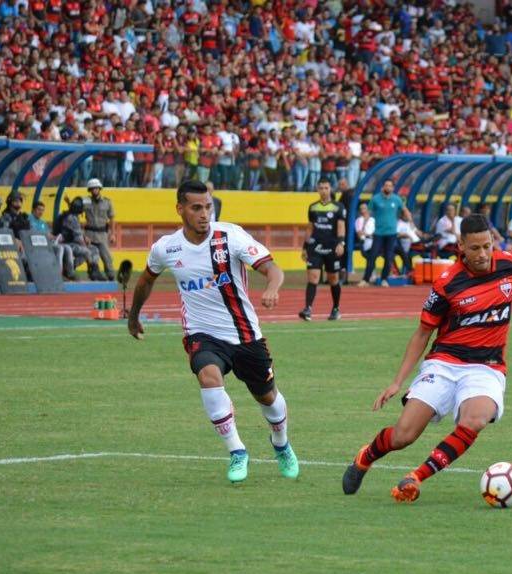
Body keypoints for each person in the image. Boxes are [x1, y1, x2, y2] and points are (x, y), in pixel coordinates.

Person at [341, 214, 512, 503]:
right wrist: (397, 382)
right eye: (475, 248)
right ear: (461, 246)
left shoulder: (510, 262)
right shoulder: (447, 283)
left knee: (475, 420)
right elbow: (423, 333)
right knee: (403, 436)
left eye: (487, 246)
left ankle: (415, 477)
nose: (483, 254)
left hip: (487, 367)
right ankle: (365, 457)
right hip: (444, 363)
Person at [127, 180, 299, 484]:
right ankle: (237, 451)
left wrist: (272, 287)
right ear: (180, 209)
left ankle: (281, 443)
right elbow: (146, 280)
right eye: (196, 208)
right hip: (201, 333)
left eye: (208, 207)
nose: (204, 214)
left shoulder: (230, 236)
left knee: (267, 397)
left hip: (244, 334)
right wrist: (133, 315)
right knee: (208, 377)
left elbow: (272, 268)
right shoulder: (166, 247)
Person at [299, 178, 345, 321]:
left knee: (333, 279)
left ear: (330, 189)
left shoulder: (338, 207)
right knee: (313, 277)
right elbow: (310, 228)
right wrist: (305, 247)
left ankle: (336, 308)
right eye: (321, 188)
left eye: (326, 188)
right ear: (317, 190)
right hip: (315, 247)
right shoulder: (313, 207)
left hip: (332, 247)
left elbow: (341, 227)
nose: (324, 191)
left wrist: (341, 243)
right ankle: (308, 309)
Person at [362, 179, 403, 286]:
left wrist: (412, 223)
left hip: (391, 233)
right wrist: (363, 226)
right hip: (378, 233)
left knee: (389, 257)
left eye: (390, 186)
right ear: (383, 187)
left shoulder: (397, 199)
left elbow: (404, 210)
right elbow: (368, 213)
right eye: (386, 185)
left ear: (393, 188)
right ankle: (365, 279)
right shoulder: (375, 199)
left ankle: (384, 279)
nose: (388, 187)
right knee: (373, 256)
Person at [55, 196, 100, 280]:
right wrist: (85, 244)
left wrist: (84, 237)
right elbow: (79, 238)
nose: (84, 209)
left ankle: (93, 270)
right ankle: (92, 271)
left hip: (71, 243)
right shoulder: (71, 218)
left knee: (94, 249)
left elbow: (78, 233)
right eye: (83, 207)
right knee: (87, 251)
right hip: (65, 244)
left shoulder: (72, 216)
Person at [83, 178, 116, 279]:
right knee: (92, 257)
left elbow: (112, 218)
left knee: (107, 257)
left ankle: (111, 276)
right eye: (92, 189)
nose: (94, 190)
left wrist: (113, 234)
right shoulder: (85, 201)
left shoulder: (107, 202)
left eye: (96, 188)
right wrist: (83, 235)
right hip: (89, 234)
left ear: (99, 189)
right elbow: (76, 211)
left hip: (102, 234)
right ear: (89, 190)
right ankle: (93, 275)